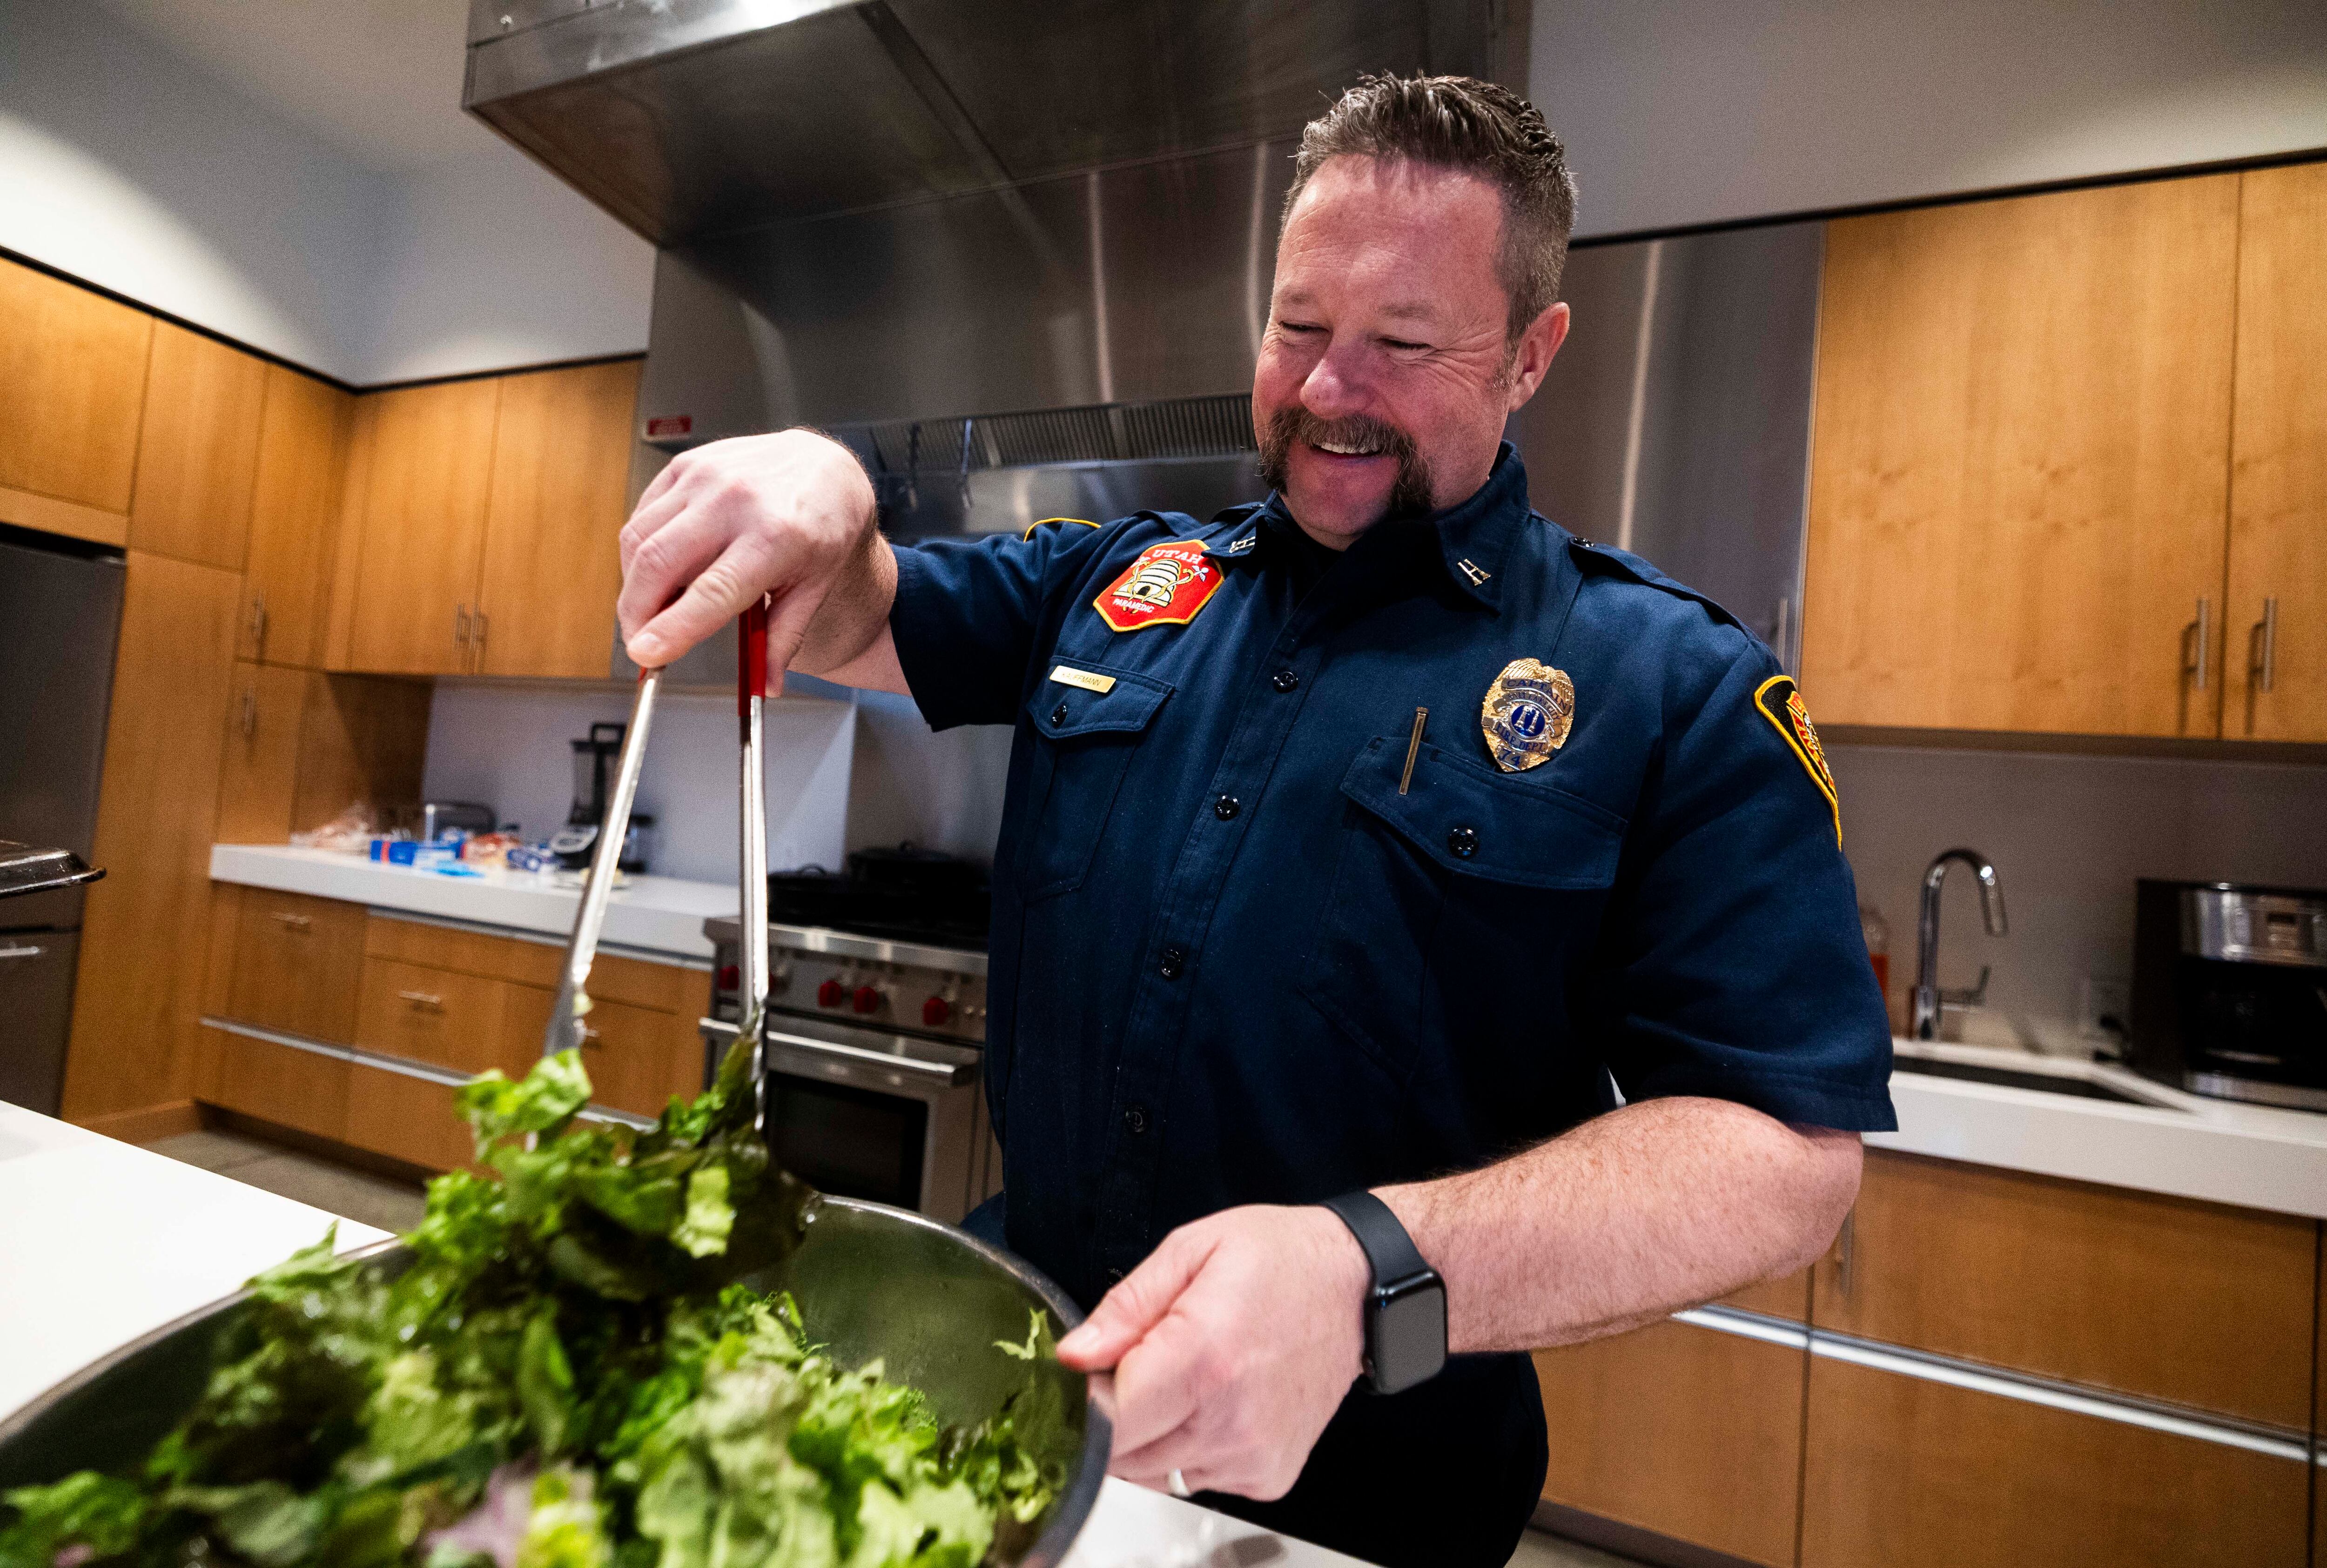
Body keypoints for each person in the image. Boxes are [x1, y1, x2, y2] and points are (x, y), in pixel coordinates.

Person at [615, 74, 1893, 1568]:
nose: (1330, 389)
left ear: (1532, 353)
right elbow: (858, 608)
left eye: (1403, 342)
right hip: (1018, 1399)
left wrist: (1370, 1272)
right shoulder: (1127, 582)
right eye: (1299, 328)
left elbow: (1789, 1155)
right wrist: (824, 482)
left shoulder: (1671, 682)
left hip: (1366, 1499)